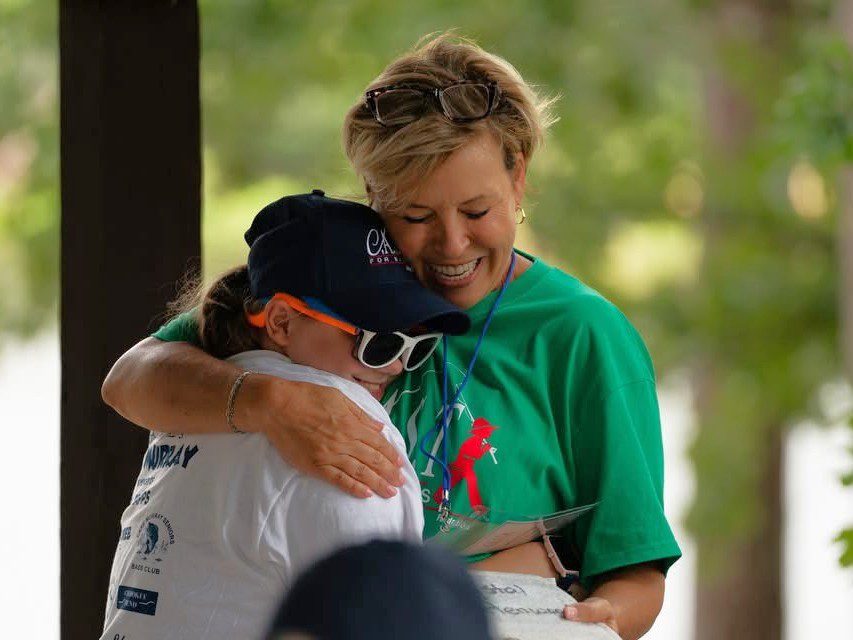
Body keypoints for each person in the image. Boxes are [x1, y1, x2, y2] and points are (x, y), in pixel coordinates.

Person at [102, 34, 682, 640]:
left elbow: (635, 569)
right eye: (417, 217)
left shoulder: (582, 336)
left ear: (518, 179)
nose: (452, 244)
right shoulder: (339, 284)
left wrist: (606, 616)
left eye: (476, 211)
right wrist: (271, 404)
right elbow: (131, 381)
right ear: (375, 202)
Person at [100, 192, 469, 640]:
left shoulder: (187, 403)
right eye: (378, 342)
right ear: (280, 322)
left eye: (414, 344)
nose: (394, 365)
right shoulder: (350, 445)